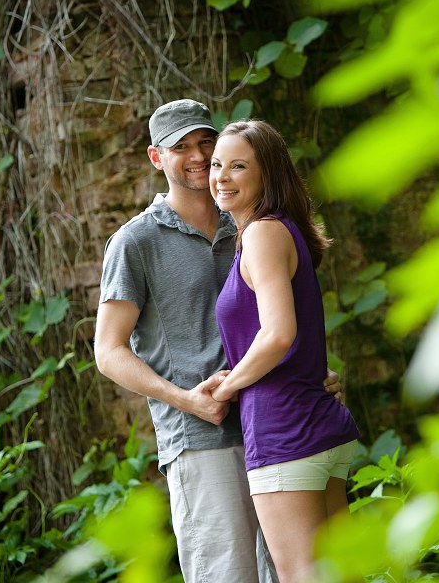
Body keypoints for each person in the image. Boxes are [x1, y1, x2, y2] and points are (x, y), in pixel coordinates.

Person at [94, 99, 340, 583]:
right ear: (155, 158)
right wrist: (186, 400)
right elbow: (108, 351)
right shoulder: (135, 242)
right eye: (180, 147)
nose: (199, 156)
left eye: (207, 142)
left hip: (276, 425)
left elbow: (279, 321)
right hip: (202, 437)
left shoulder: (249, 220)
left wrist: (307, 371)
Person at [208, 119, 360, 583]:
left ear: (266, 175)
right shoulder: (280, 231)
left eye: (238, 166)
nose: (222, 177)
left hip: (284, 433)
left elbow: (278, 334)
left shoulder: (261, 234)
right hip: (317, 428)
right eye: (217, 165)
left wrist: (228, 386)